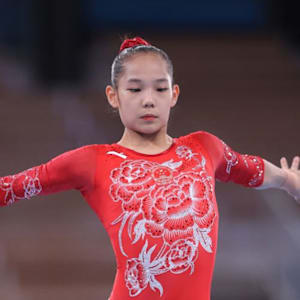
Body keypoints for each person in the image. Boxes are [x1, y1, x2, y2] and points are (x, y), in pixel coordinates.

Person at [0, 37, 299, 300]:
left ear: (174, 94)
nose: (148, 100)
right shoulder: (92, 161)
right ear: (113, 96)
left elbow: (250, 168)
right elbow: (13, 187)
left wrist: (287, 180)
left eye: (159, 88)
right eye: (134, 89)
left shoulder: (203, 148)